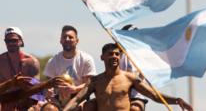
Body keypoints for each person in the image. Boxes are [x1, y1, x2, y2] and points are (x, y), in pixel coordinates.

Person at [63, 43, 193, 111]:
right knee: (88, 106)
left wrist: (176, 100)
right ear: (102, 57)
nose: (114, 56)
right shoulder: (96, 81)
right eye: (110, 54)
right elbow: (77, 100)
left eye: (117, 54)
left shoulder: (129, 78)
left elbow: (153, 95)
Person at [44, 25, 96, 106]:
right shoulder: (53, 61)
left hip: (79, 98)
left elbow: (89, 84)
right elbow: (48, 85)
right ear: (60, 40)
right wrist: (49, 92)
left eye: (70, 37)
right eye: (64, 37)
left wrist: (74, 89)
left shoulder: (86, 59)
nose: (67, 39)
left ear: (77, 40)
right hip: (58, 99)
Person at [0, 27, 40, 110]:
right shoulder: (1, 61)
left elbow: (38, 89)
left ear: (21, 41)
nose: (11, 43)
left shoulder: (31, 62)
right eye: (8, 41)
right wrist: (11, 83)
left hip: (25, 101)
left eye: (14, 40)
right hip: (5, 100)